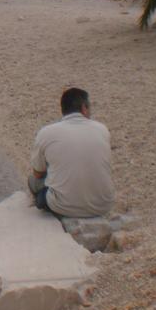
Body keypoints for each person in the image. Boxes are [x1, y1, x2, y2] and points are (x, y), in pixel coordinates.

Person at [28, 87, 115, 218]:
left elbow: (38, 173)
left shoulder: (46, 132)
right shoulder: (102, 129)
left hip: (64, 206)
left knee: (33, 181)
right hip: (103, 205)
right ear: (84, 108)